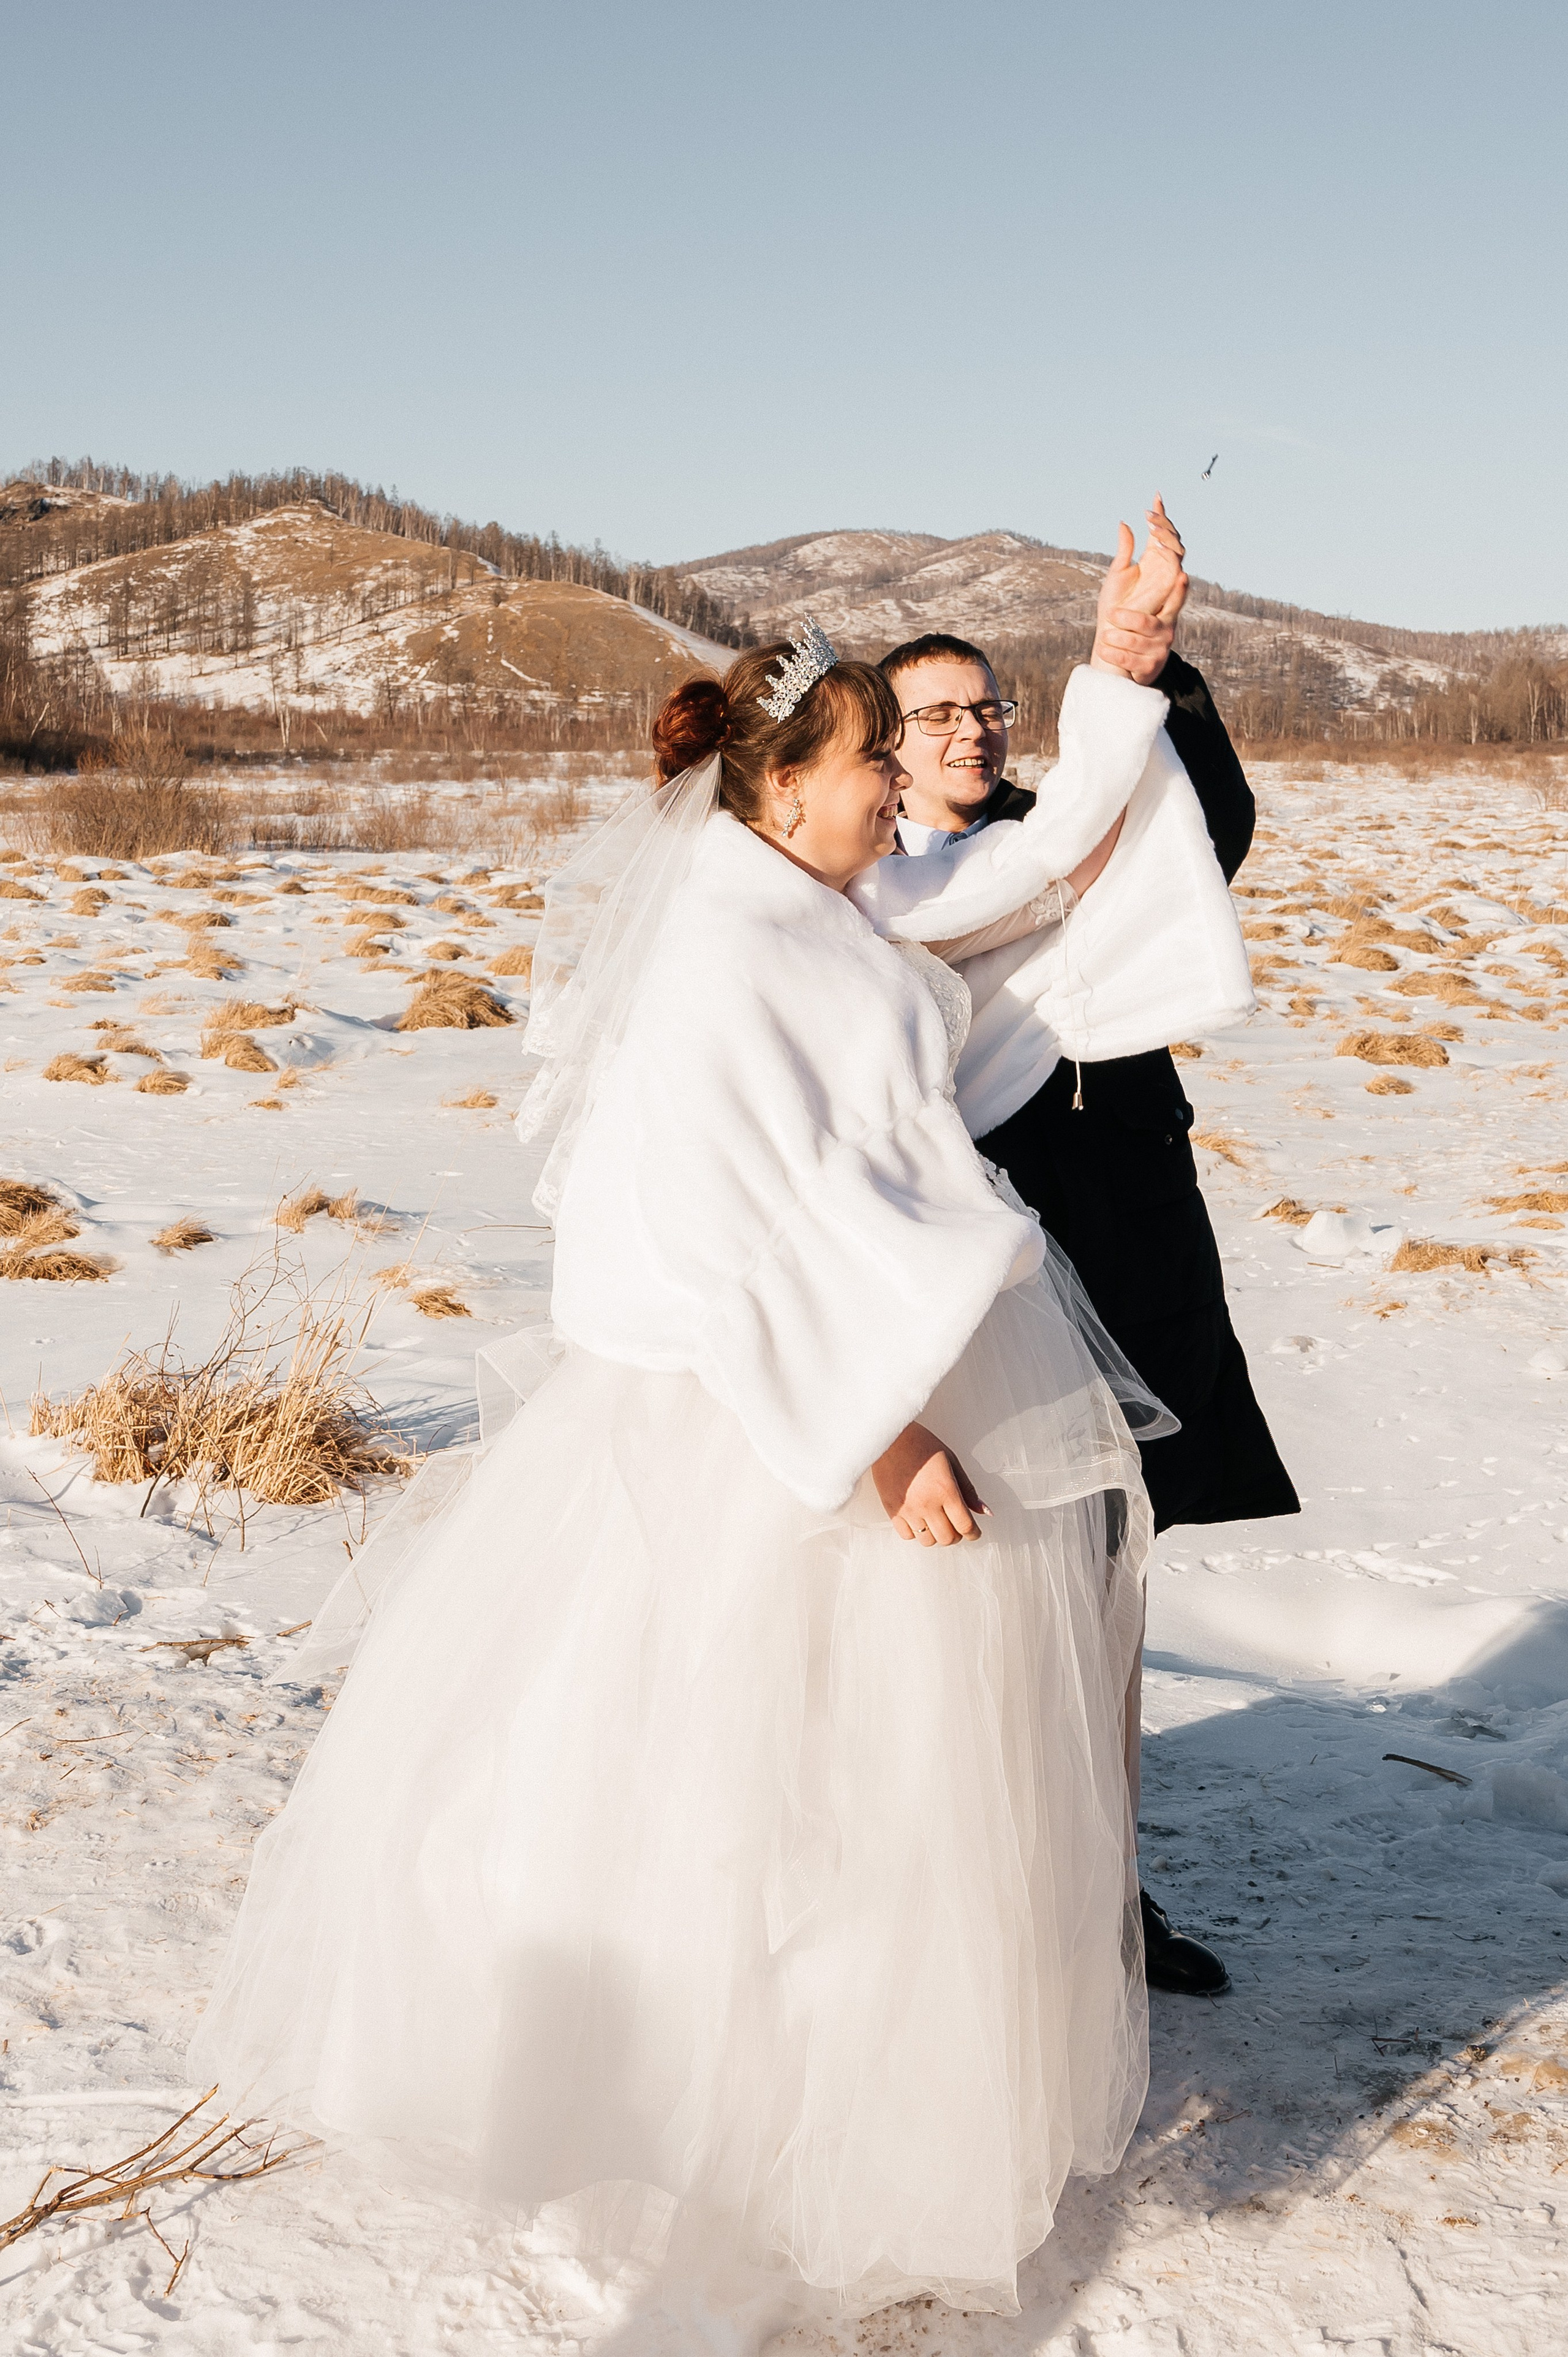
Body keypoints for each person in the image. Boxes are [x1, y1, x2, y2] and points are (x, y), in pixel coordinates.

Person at [191, 608, 1185, 2345]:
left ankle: (849, 2124)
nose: (899, 789)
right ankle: (754, 2152)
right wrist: (884, 1438)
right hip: (797, 1424)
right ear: (784, 783)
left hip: (889, 1366)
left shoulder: (815, 906)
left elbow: (1008, 896)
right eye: (872, 759)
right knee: (773, 1800)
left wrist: (1121, 678)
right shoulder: (730, 950)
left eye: (895, 754)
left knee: (875, 1797)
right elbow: (722, 1226)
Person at [869, 503, 1300, 2001]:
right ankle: (962, 1897)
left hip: (1127, 1224)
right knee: (979, 1581)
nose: (974, 732)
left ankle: (1113, 1899)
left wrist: (1150, 673)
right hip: (974, 1257)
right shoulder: (865, 889)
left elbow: (1213, 836)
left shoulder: (1074, 825)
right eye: (937, 716)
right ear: (883, 746)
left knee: (1115, 1563)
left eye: (988, 705)